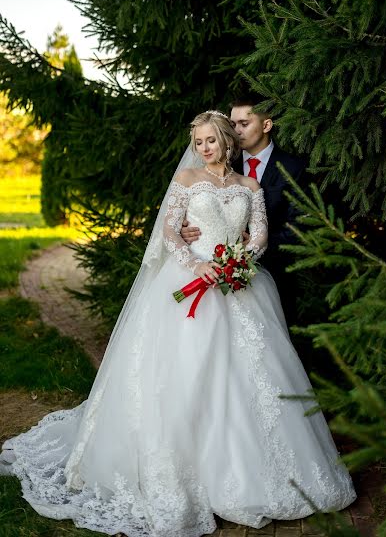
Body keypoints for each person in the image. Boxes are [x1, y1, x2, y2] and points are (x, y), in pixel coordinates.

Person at [0, 110, 356, 537]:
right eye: (199, 142)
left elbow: (258, 233)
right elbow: (170, 232)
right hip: (192, 280)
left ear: (227, 140)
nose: (204, 148)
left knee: (253, 376)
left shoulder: (249, 186)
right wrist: (195, 266)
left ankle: (254, 473)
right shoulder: (187, 181)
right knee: (184, 374)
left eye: (211, 140)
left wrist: (242, 260)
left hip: (240, 284)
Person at [181, 97, 306, 323]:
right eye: (232, 123)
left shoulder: (293, 168)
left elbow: (301, 226)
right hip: (209, 268)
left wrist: (249, 250)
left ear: (266, 125)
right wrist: (186, 230)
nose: (235, 130)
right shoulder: (221, 162)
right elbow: (194, 206)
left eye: (244, 124)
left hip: (274, 275)